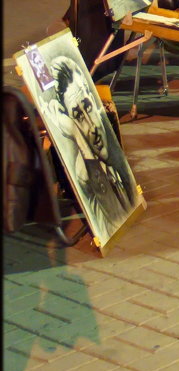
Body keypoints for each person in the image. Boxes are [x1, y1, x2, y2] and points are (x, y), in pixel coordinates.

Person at [46, 53, 135, 237]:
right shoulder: (84, 173)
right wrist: (78, 138)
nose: (92, 126)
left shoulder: (113, 150)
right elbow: (118, 217)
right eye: (78, 116)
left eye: (88, 107)